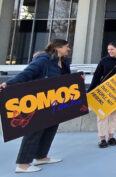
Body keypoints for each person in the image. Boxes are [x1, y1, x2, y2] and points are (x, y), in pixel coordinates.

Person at [0, 39, 71, 173]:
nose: (68, 49)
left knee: (51, 127)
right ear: (58, 47)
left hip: (54, 100)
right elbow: (28, 73)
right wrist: (8, 84)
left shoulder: (64, 62)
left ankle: (41, 156)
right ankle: (23, 164)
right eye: (67, 47)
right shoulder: (44, 58)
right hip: (39, 98)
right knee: (35, 129)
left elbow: (66, 78)